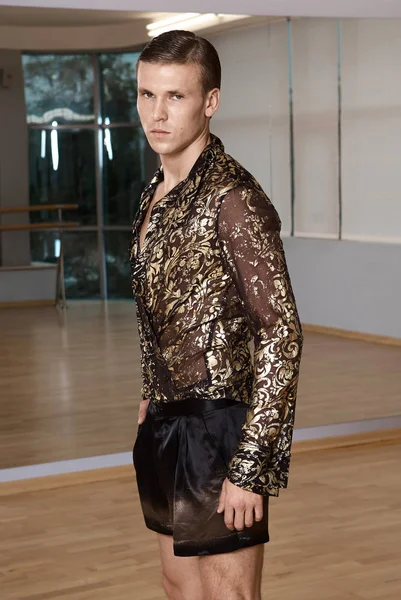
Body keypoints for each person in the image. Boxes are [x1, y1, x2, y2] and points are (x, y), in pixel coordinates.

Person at [130, 29, 303, 600]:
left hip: (221, 430)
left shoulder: (234, 199)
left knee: (228, 597)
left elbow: (282, 334)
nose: (157, 113)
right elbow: (162, 302)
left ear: (211, 101)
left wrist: (252, 465)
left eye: (175, 96)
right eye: (146, 94)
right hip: (165, 423)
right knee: (178, 585)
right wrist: (153, 390)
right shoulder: (154, 192)